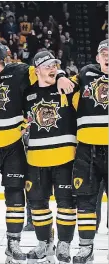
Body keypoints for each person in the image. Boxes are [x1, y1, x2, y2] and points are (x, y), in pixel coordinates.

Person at [0, 41, 74, 264]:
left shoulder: (19, 72)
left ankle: (13, 243)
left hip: (12, 147)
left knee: (15, 195)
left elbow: (46, 69)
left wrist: (62, 73)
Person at [23, 51, 78, 264]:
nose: (52, 69)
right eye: (47, 66)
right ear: (36, 71)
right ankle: (44, 243)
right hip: (36, 159)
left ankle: (64, 244)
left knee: (66, 204)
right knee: (37, 205)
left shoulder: (68, 87)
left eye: (55, 65)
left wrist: (63, 74)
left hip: (65, 157)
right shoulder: (27, 94)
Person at [69, 39, 108, 264]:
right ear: (97, 57)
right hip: (88, 149)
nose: (108, 56)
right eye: (104, 52)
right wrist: (63, 76)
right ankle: (86, 247)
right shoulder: (85, 74)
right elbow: (64, 84)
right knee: (85, 199)